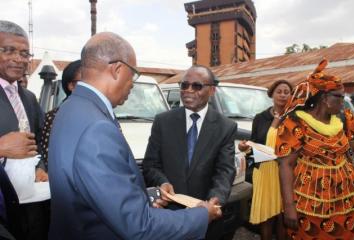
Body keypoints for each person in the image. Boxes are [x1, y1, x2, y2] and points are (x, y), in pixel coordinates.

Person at [48, 32, 222, 240]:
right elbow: (139, 226)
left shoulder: (70, 108)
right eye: (133, 74)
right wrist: (202, 215)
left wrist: (142, 197)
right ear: (117, 69)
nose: (132, 83)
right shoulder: (97, 129)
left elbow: (91, 191)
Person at [143, 65, 237, 240]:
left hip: (206, 218)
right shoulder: (163, 122)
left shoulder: (226, 127)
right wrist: (162, 182)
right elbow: (151, 164)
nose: (188, 90)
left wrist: (213, 202)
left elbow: (225, 171)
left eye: (197, 86)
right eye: (184, 85)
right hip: (169, 216)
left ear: (212, 90)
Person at [275, 59, 354, 239]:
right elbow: (286, 165)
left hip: (348, 196)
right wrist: (289, 206)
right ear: (324, 98)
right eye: (339, 97)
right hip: (310, 199)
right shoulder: (295, 123)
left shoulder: (345, 117)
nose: (343, 101)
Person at [0, 20, 49, 239]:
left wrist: (40, 167)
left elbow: (39, 140)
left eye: (24, 53)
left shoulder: (28, 98)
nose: (18, 59)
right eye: (9, 50)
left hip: (29, 204)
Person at [238, 80, 292, 240]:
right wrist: (245, 148)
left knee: (283, 215)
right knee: (266, 214)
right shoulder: (260, 118)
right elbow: (254, 144)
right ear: (272, 94)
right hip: (264, 171)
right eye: (279, 91)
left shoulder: (293, 118)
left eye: (286, 92)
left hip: (285, 172)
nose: (282, 95)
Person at [40, 60, 81, 168]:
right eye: (84, 83)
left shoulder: (104, 113)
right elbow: (51, 160)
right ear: (71, 85)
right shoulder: (53, 118)